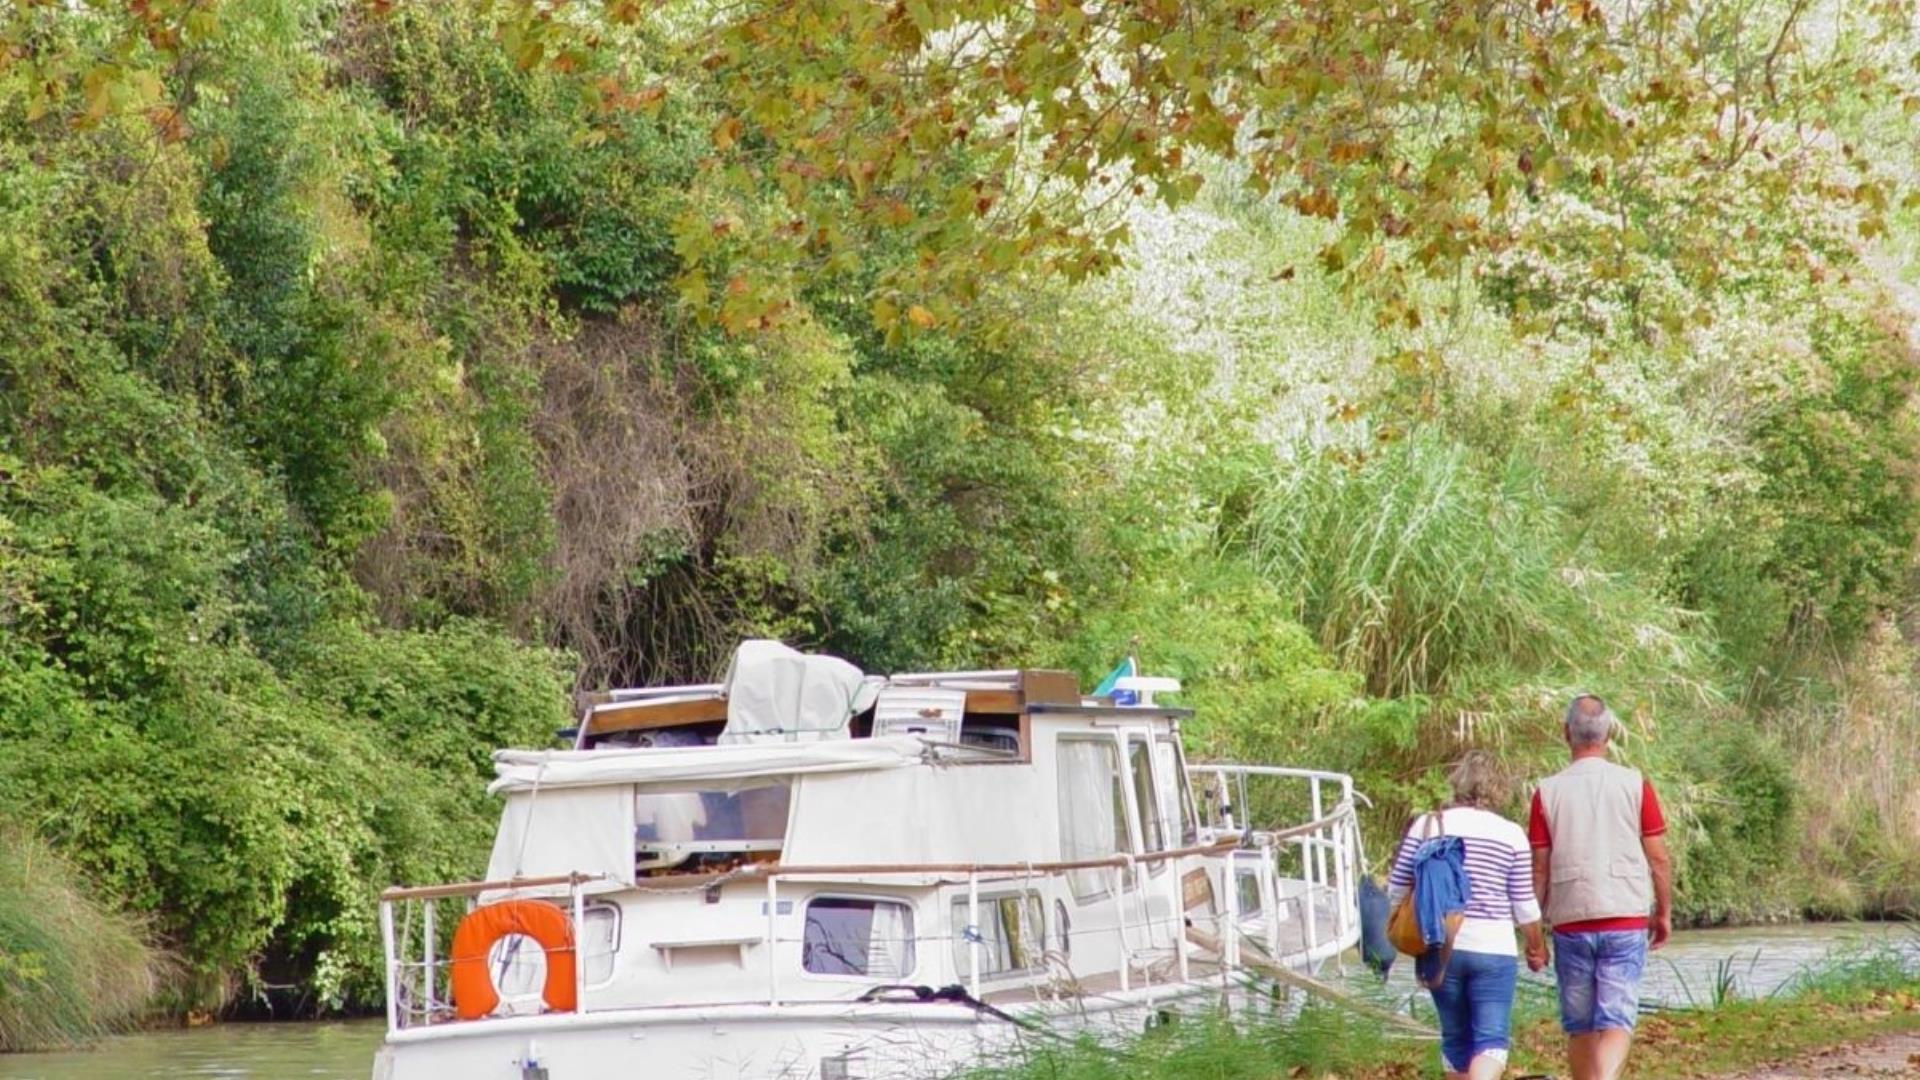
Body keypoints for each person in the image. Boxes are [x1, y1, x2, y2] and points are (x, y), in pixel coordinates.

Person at [1530, 694, 1674, 1080]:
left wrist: (1534, 933)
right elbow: (1658, 858)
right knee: (1616, 1018)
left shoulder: (1546, 791)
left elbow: (1539, 870)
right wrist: (1663, 912)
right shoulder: (1635, 785)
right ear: (1609, 733)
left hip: (1570, 918)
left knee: (1579, 1023)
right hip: (1625, 916)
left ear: (1566, 734)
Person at [1388, 751, 1547, 1080]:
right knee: (1490, 1040)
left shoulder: (1427, 825)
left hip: (1438, 942)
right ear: (1499, 788)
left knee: (1456, 1040)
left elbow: (1396, 888)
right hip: (1493, 950)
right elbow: (1524, 904)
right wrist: (1536, 946)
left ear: (1457, 783)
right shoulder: (1511, 834)